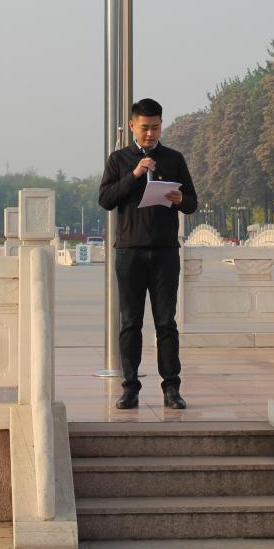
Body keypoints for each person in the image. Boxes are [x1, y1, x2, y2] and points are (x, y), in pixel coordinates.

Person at [98, 98, 198, 410]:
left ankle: (172, 388)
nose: (150, 133)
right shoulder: (119, 160)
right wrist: (135, 174)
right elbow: (106, 199)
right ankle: (130, 388)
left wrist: (180, 199)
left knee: (166, 322)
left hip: (165, 252)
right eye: (144, 128)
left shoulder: (174, 158)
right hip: (130, 252)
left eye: (155, 127)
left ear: (161, 125)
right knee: (130, 322)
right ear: (132, 126)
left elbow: (192, 202)